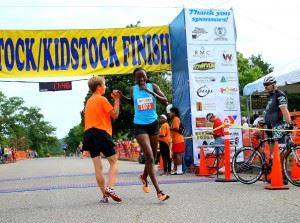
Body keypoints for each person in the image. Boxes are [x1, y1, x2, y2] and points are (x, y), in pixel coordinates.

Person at [119, 67, 170, 201]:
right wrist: (121, 97)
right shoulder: (133, 89)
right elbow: (131, 102)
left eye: (143, 77)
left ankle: (143, 177)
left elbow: (165, 101)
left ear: (146, 77)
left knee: (152, 157)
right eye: (138, 77)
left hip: (153, 124)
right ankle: (159, 192)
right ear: (135, 79)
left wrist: (149, 92)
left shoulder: (153, 86)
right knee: (149, 157)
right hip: (140, 126)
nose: (141, 79)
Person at [82, 75, 122, 203]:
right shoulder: (101, 99)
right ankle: (110, 188)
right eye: (104, 84)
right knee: (114, 161)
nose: (105, 87)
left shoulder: (89, 101)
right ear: (99, 87)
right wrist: (117, 99)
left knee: (97, 167)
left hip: (88, 134)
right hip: (100, 132)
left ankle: (104, 196)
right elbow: (114, 115)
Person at [263, 75, 292, 139]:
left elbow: (285, 110)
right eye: (264, 84)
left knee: (279, 146)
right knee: (271, 147)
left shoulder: (279, 95)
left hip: (278, 125)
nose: (265, 86)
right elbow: (268, 111)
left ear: (273, 84)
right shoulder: (271, 95)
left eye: (267, 84)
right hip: (270, 126)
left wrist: (289, 124)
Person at [169, 106, 185, 175]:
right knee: (175, 155)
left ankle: (179, 170)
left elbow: (176, 128)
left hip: (178, 140)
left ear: (174, 113)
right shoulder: (175, 119)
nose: (169, 113)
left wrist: (170, 128)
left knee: (178, 154)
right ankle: (176, 170)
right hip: (176, 140)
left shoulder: (175, 119)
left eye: (171, 112)